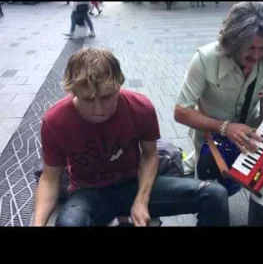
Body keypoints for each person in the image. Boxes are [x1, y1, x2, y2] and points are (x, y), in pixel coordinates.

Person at [32, 47, 229, 227]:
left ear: (119, 85)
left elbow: (150, 155)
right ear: (72, 91)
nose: (99, 109)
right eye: (88, 99)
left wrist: (141, 201)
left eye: (107, 97)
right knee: (69, 224)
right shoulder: (55, 120)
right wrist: (38, 223)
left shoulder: (140, 107)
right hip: (87, 192)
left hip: (133, 184)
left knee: (214, 194)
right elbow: (50, 177)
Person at [174, 1, 263, 196]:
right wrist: (225, 127)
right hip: (211, 136)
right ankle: (195, 159)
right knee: (214, 196)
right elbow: (181, 112)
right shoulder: (205, 58)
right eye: (250, 48)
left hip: (250, 128)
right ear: (233, 41)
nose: (257, 56)